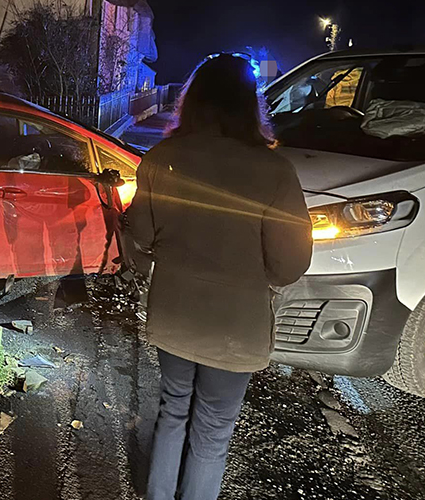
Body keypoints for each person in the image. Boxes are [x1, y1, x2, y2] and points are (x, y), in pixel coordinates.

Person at [125, 53, 313, 500]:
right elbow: (289, 267)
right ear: (250, 105)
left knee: (173, 410)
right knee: (212, 430)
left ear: (194, 101)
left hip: (174, 314)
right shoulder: (275, 171)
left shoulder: (163, 157)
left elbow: (143, 236)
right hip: (236, 327)